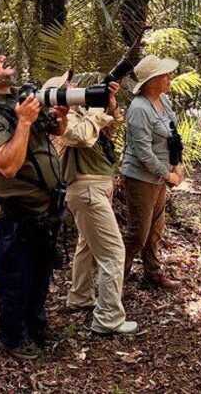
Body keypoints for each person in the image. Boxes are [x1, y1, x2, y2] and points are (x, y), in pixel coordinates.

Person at [0, 39, 69, 360]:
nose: (3, 58)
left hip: (45, 209)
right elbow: (7, 165)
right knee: (15, 280)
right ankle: (10, 337)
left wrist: (60, 116)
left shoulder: (18, 101)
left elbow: (57, 131)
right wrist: (23, 122)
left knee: (39, 275)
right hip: (11, 215)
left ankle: (34, 327)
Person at [45, 71, 137, 335]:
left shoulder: (83, 113)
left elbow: (114, 123)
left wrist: (109, 101)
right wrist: (95, 109)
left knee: (87, 247)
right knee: (113, 253)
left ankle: (81, 296)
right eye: (68, 86)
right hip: (86, 190)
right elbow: (82, 137)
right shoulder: (60, 120)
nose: (74, 87)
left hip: (97, 188)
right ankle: (109, 317)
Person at [120, 55, 184, 290]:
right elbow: (143, 151)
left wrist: (176, 165)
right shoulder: (139, 108)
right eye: (164, 75)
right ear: (151, 81)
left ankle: (152, 273)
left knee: (156, 228)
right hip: (140, 177)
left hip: (159, 175)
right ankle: (116, 278)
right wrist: (167, 175)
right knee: (138, 233)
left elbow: (172, 135)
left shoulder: (163, 100)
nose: (169, 78)